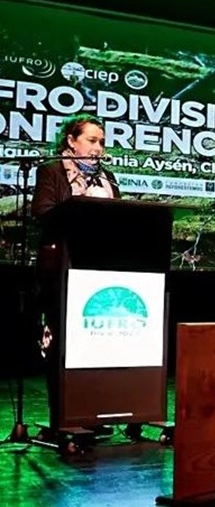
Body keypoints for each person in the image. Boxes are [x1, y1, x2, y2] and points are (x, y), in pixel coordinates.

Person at [30, 113, 119, 430]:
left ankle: (94, 413)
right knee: (64, 347)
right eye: (92, 140)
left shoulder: (108, 177)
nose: (98, 148)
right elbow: (42, 211)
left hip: (100, 272)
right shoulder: (52, 171)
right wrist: (79, 210)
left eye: (102, 142)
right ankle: (65, 417)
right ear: (71, 140)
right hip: (63, 270)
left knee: (96, 343)